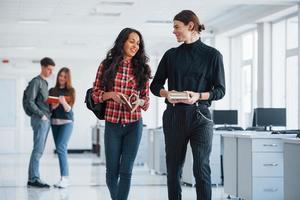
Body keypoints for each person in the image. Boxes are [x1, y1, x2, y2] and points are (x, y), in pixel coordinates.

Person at [150, 10, 225, 200]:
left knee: (201, 168)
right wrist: (167, 94)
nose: (173, 31)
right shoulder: (171, 55)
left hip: (201, 117)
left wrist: (198, 95)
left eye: (177, 27)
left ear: (190, 26)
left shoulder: (212, 55)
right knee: (173, 169)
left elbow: (220, 90)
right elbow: (155, 85)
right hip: (174, 116)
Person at [92, 28, 151, 200]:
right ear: (122, 41)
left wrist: (138, 102)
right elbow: (95, 94)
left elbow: (146, 101)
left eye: (138, 43)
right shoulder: (106, 65)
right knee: (112, 171)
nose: (135, 46)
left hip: (134, 124)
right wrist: (110, 95)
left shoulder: (143, 69)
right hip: (112, 124)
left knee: (126, 171)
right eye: (132, 41)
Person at [27, 57, 55, 188]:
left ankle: (33, 177)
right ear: (42, 67)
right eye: (48, 69)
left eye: (51, 70)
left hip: (45, 119)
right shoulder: (36, 82)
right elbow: (30, 101)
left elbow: (42, 101)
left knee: (39, 149)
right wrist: (41, 115)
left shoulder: (45, 83)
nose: (50, 72)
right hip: (40, 120)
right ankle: (33, 179)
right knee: (38, 149)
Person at [49, 67, 75, 188]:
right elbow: (49, 109)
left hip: (67, 122)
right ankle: (62, 178)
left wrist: (63, 102)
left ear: (67, 78)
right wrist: (52, 107)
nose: (62, 78)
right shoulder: (52, 90)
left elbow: (69, 109)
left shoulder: (71, 91)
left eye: (64, 77)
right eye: (60, 76)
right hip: (54, 123)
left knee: (61, 148)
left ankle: (65, 178)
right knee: (60, 150)